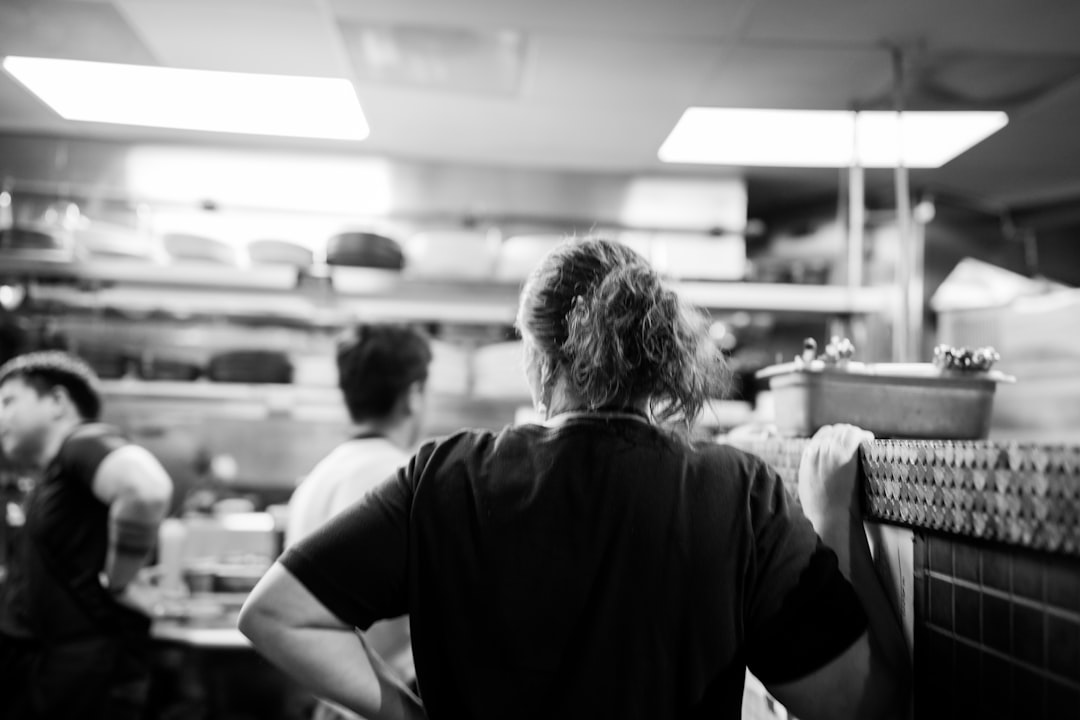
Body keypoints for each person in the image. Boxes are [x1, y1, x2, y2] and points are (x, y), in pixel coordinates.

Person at [239, 238, 910, 720]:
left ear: (535, 360)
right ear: (660, 360)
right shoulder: (737, 494)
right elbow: (860, 705)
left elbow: (278, 613)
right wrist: (835, 524)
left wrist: (405, 715)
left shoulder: (443, 478)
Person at [0, 350, 173, 720]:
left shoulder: (83, 441)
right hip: (56, 675)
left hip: (89, 680)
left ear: (58, 402)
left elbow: (146, 489)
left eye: (8, 401)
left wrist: (119, 581)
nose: (1, 417)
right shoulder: (55, 473)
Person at [285, 323, 432, 718]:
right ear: (414, 395)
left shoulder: (318, 478)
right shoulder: (402, 480)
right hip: (386, 699)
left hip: (337, 700)